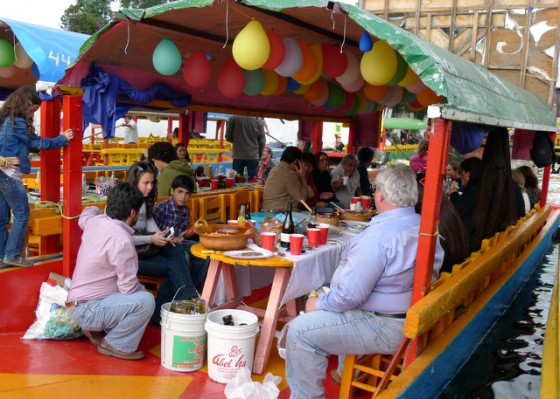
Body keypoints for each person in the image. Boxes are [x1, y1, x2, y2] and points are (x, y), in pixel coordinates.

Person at [285, 164, 444, 398]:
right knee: (331, 295)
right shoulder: (424, 226)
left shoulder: (379, 237)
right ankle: (346, 370)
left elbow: (349, 296)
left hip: (386, 325)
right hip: (410, 314)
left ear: (379, 195)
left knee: (299, 331)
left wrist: (316, 305)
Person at [67, 183, 155, 360]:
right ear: (132, 213)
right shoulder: (122, 240)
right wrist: (143, 291)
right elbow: (128, 288)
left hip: (75, 304)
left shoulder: (96, 222)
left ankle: (100, 330)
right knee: (146, 301)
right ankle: (116, 343)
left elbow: (86, 214)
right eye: (138, 211)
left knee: (130, 291)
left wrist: (95, 208)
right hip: (89, 310)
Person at [0, 86, 75, 267]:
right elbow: (36, 142)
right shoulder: (16, 122)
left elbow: (29, 145)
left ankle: (3, 255)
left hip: (2, 174)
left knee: (2, 219)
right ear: (25, 105)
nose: (32, 115)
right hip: (10, 175)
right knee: (22, 215)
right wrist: (63, 139)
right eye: (33, 111)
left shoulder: (6, 121)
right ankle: (12, 255)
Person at [126, 161, 198, 324]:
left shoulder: (143, 201)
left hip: (145, 250)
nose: (150, 187)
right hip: (129, 255)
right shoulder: (125, 202)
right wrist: (151, 238)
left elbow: (153, 227)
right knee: (176, 267)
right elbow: (121, 238)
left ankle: (164, 314)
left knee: (177, 250)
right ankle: (186, 299)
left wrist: (163, 236)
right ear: (135, 181)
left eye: (152, 183)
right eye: (146, 183)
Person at [153, 174, 208, 293]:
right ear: (172, 191)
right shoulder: (161, 208)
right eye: (180, 192)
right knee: (187, 255)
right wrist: (168, 239)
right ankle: (185, 290)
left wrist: (192, 228)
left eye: (187, 193)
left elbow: (180, 235)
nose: (183, 196)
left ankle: (194, 288)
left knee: (203, 253)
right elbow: (152, 232)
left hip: (177, 242)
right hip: (162, 245)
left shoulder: (185, 210)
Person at [262, 146, 307, 213]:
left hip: (268, 210)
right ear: (297, 162)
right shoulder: (290, 173)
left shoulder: (274, 169)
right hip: (281, 213)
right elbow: (302, 199)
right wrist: (303, 177)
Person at [449, 157, 482, 248]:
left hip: (468, 241)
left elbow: (456, 212)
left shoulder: (473, 191)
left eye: (461, 172)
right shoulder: (481, 188)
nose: (460, 176)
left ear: (468, 174)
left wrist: (454, 194)